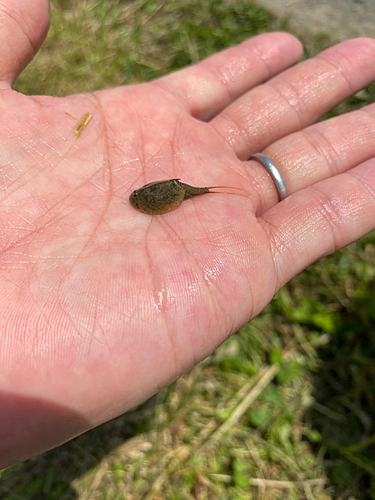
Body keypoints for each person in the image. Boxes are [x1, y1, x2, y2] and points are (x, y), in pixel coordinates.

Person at [1, 0, 375, 470]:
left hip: (173, 190)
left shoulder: (161, 193)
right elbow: (146, 195)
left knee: (197, 190)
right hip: (170, 190)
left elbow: (150, 193)